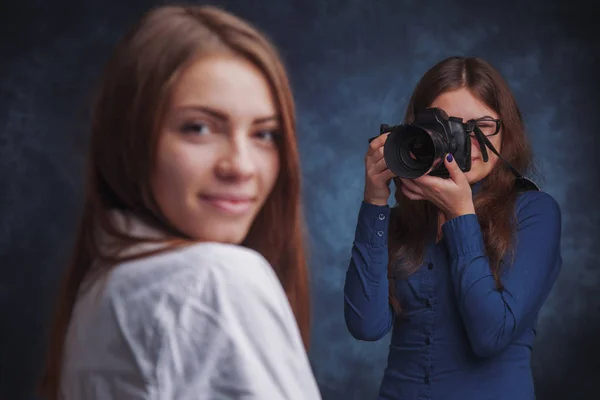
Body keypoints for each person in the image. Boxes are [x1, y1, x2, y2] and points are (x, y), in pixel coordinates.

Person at [38, 4, 321, 400]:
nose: (241, 166)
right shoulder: (215, 279)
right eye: (199, 128)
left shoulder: (104, 283)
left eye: (265, 134)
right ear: (129, 140)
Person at [343, 56, 562, 399]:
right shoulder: (406, 217)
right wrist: (374, 200)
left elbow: (491, 335)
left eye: (483, 126)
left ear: (507, 130)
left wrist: (461, 216)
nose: (466, 142)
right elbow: (366, 326)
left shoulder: (536, 213)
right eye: (451, 127)